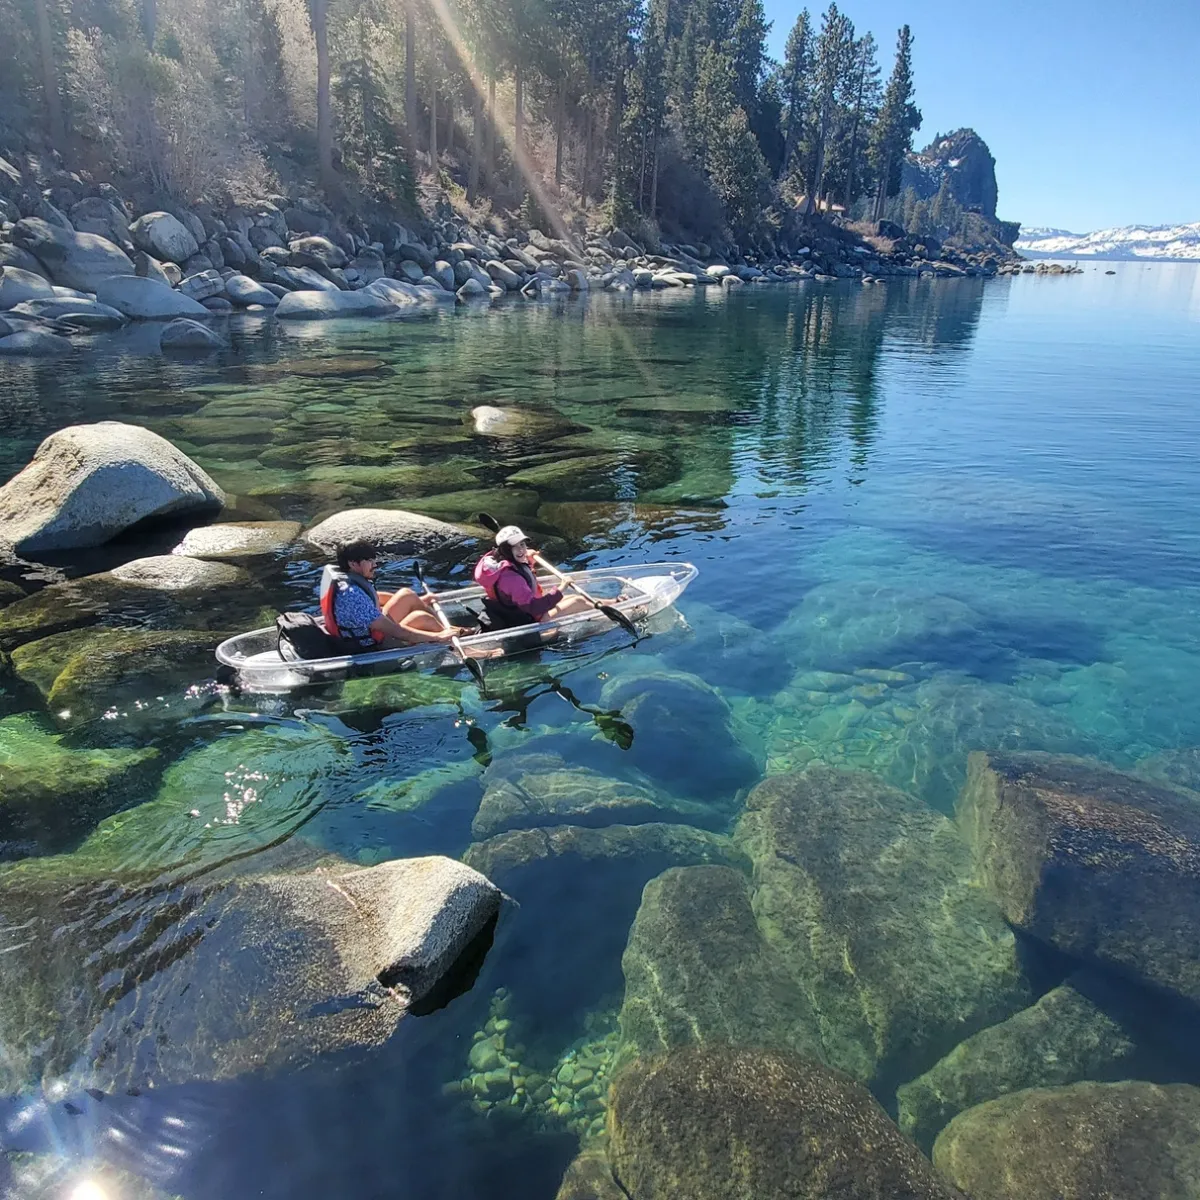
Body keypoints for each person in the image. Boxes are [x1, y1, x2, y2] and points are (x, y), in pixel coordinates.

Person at [320, 540, 470, 649]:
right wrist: (437, 637)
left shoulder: (348, 579)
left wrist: (419, 600)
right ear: (353, 564)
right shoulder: (351, 595)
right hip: (371, 645)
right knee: (422, 619)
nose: (375, 564)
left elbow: (374, 596)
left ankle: (453, 630)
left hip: (371, 628)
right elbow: (397, 632)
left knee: (407, 595)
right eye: (369, 561)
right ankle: (466, 649)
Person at [473, 525, 593, 628]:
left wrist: (528, 561)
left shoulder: (495, 563)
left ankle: (611, 603)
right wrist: (562, 587)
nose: (521, 549)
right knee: (578, 601)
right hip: (528, 619)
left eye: (522, 544)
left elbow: (520, 576)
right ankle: (609, 608)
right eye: (515, 546)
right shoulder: (512, 578)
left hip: (513, 613)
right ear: (506, 550)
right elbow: (533, 607)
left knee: (574, 597)